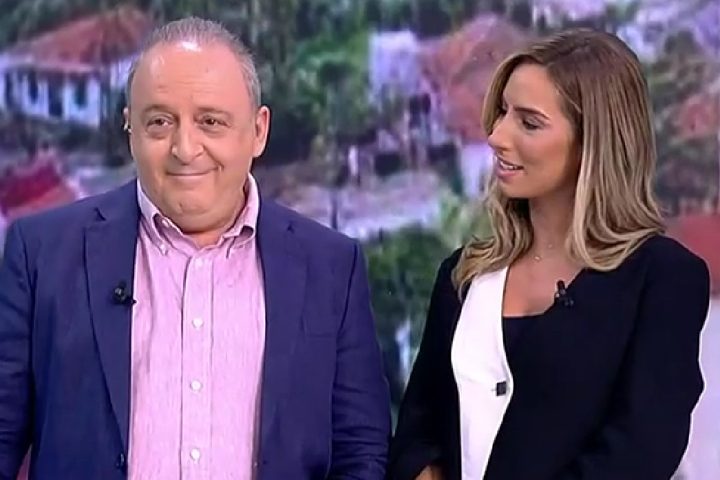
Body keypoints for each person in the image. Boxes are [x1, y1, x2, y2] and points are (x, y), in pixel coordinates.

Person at [0, 17, 390, 479]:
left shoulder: (331, 267)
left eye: (210, 122)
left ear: (259, 131)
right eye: (159, 122)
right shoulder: (41, 254)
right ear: (129, 129)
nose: (185, 148)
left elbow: (362, 452)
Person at [387, 28, 711, 480]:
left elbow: (640, 450)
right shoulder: (463, 276)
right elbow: (417, 431)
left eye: (529, 122)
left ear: (591, 144)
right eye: (502, 113)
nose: (497, 136)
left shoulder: (662, 279)